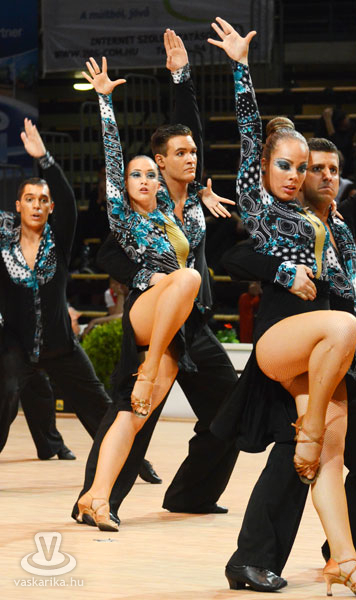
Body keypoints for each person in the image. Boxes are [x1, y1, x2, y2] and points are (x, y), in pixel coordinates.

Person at [217, 88, 356, 591]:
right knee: (298, 451)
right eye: (315, 169)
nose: (325, 176)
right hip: (296, 345)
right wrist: (283, 272)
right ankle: (252, 559)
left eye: (333, 169)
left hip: (338, 355)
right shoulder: (277, 217)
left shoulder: (341, 221)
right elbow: (234, 257)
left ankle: (352, 553)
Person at [207, 18, 356, 597]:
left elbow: (340, 285)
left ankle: (345, 561)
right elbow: (248, 130)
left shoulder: (318, 220)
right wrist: (240, 68)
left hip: (323, 351)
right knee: (342, 329)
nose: (294, 175)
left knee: (327, 455)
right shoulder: (261, 206)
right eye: (284, 164)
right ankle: (306, 429)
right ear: (263, 167)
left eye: (302, 167)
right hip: (284, 338)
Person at [75, 38, 238, 530]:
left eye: (193, 154)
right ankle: (96, 499)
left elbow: (186, 138)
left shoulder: (189, 198)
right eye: (177, 156)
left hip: (194, 323)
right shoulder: (145, 198)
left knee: (228, 410)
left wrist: (182, 74)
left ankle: (191, 493)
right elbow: (134, 153)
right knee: (133, 409)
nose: (190, 158)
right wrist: (105, 100)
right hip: (156, 311)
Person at [0, 120, 111, 458]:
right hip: (15, 343)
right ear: (17, 206)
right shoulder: (3, 237)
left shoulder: (59, 239)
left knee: (96, 401)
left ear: (50, 208)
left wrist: (44, 158)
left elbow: (66, 196)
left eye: (43, 200)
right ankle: (50, 445)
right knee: (7, 391)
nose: (36, 205)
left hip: (61, 344)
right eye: (29, 199)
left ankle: (133, 461)